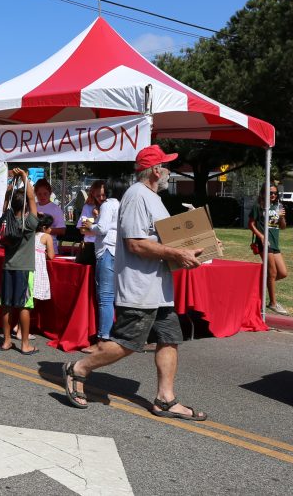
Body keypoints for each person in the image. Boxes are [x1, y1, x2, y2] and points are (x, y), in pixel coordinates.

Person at [63, 145, 207, 421]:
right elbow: (135, 244)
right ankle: (78, 368)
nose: (168, 171)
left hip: (158, 287)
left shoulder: (154, 197)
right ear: (155, 170)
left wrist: (201, 246)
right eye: (166, 166)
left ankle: (165, 399)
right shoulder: (136, 196)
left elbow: (163, 239)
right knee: (127, 343)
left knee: (169, 338)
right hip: (139, 287)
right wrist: (178, 254)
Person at [0, 168, 40, 355]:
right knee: (24, 305)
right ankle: (24, 344)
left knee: (6, 304)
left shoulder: (6, 221)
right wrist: (24, 177)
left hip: (8, 267)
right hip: (25, 268)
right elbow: (31, 199)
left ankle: (6, 341)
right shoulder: (29, 223)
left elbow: (6, 201)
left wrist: (13, 184)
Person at [82, 179, 126, 353]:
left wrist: (89, 225)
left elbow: (102, 228)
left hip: (106, 251)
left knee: (105, 298)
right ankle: (111, 335)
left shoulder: (109, 204)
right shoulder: (122, 204)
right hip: (118, 252)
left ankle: (102, 340)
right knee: (114, 297)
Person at [250, 186, 289, 316]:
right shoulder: (258, 206)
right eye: (270, 193)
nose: (273, 195)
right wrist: (260, 236)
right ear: (264, 193)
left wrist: (282, 217)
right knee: (272, 272)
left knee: (282, 273)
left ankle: (261, 284)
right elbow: (251, 224)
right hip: (263, 242)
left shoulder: (278, 206)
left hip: (275, 243)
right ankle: (273, 303)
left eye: (275, 193)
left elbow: (282, 227)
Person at [76, 180, 106, 266]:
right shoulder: (87, 207)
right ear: (92, 194)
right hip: (89, 246)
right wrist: (99, 232)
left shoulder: (108, 206)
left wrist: (97, 218)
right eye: (98, 195)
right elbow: (83, 230)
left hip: (103, 247)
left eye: (103, 195)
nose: (101, 198)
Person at [33, 179, 66, 253]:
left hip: (50, 248)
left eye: (45, 193)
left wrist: (48, 230)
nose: (42, 196)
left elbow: (62, 230)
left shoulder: (56, 209)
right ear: (36, 194)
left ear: (50, 193)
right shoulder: (33, 207)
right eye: (39, 194)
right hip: (34, 246)